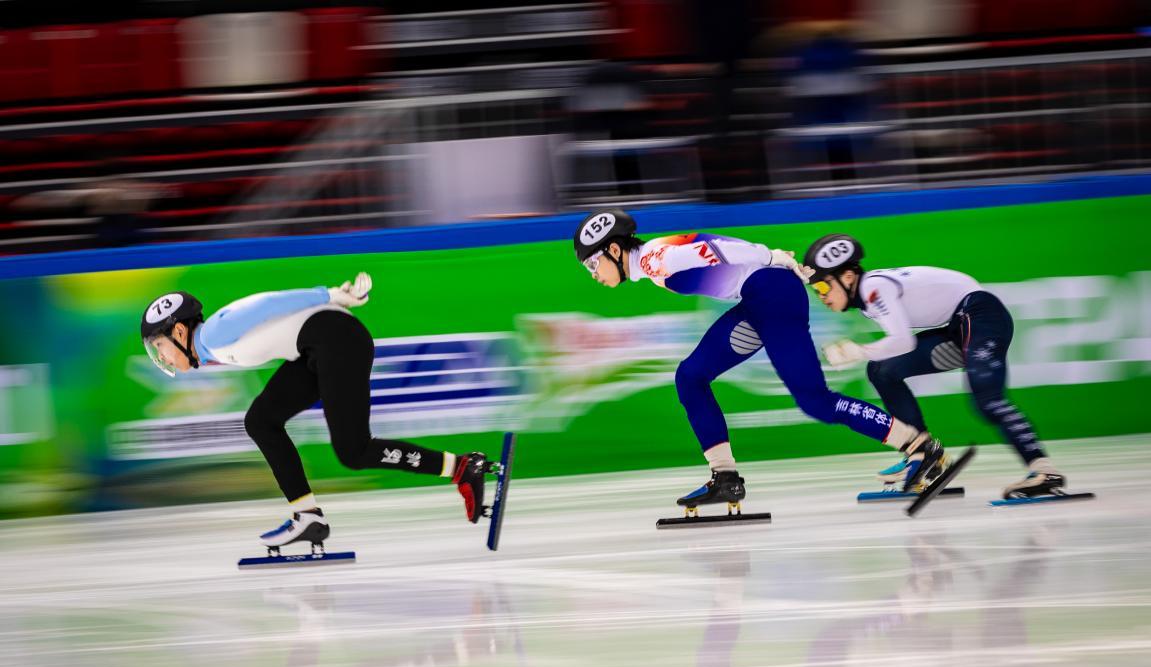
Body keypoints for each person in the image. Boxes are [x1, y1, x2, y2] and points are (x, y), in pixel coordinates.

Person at [571, 208, 954, 509]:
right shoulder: (655, 260)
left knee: (815, 401)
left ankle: (920, 448)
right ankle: (725, 477)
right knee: (690, 377)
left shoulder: (656, 259)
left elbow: (715, 249)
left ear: (615, 250)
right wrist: (767, 259)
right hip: (758, 301)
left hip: (771, 296)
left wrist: (769, 256)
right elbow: (716, 244)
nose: (593, 274)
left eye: (592, 264)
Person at [139, 274, 491, 551]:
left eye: (160, 348)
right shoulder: (210, 344)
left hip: (337, 339)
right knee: (261, 422)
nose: (162, 359)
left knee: (354, 451)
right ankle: (306, 516)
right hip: (314, 348)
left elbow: (267, 303)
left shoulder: (215, 333)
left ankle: (463, 467)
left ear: (180, 331)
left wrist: (329, 294)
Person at [802, 233, 1065, 498]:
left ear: (847, 277)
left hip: (981, 316)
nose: (821, 296)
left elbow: (902, 341)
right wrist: (865, 354)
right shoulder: (868, 298)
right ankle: (922, 454)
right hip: (958, 326)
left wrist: (859, 351)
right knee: (882, 371)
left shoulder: (874, 287)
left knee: (988, 401)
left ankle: (1044, 470)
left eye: (823, 288)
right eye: (816, 291)